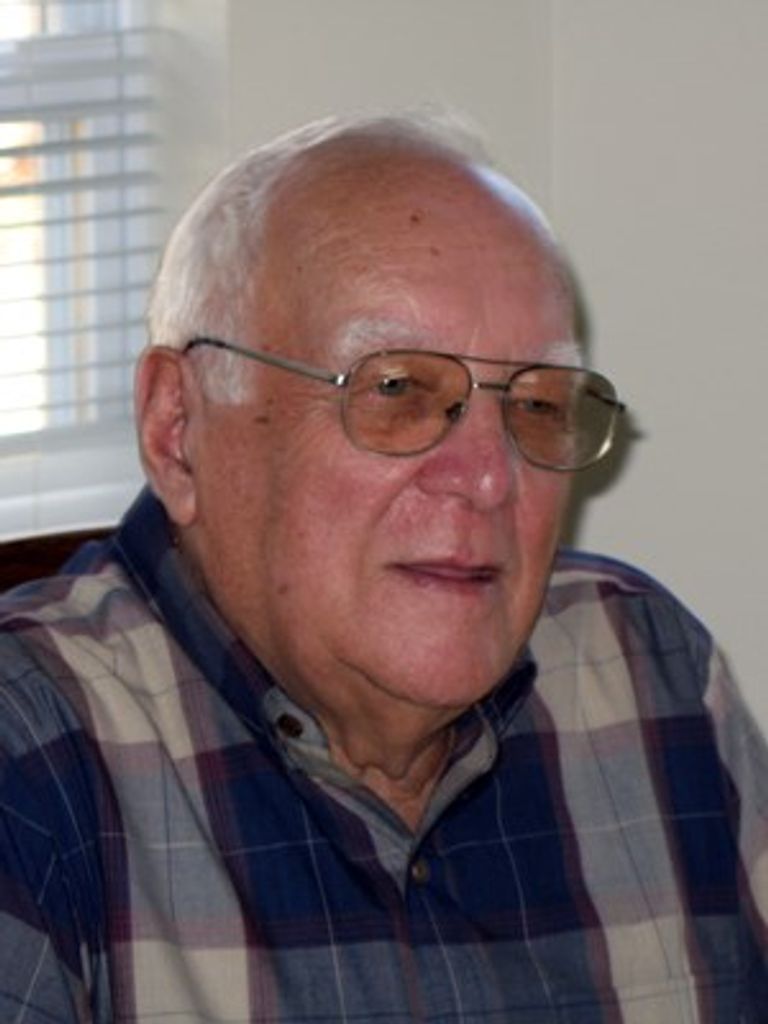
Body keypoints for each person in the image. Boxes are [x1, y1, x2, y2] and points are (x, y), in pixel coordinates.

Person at [0, 114, 765, 1024]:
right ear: (178, 429)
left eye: (537, 404)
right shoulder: (32, 764)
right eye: (396, 389)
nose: (490, 477)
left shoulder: (648, 675)